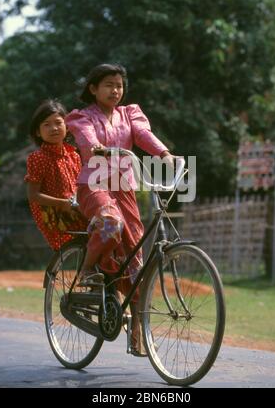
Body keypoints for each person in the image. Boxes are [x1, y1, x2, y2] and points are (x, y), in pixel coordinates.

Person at [65, 63, 175, 356]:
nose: (115, 90)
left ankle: (138, 336)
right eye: (108, 85)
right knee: (110, 222)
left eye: (119, 85)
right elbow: (87, 139)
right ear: (93, 89)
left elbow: (142, 134)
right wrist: (98, 148)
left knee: (137, 262)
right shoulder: (81, 116)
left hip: (124, 189)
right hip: (94, 185)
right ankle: (88, 269)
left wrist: (164, 153)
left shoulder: (130, 113)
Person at [24, 99, 87, 251]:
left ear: (67, 126)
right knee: (102, 230)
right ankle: (90, 268)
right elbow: (33, 195)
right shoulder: (38, 157)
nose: (54, 128)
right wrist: (62, 203)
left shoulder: (74, 155)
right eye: (47, 124)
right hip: (54, 214)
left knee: (110, 226)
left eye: (58, 122)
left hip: (76, 208)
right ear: (38, 132)